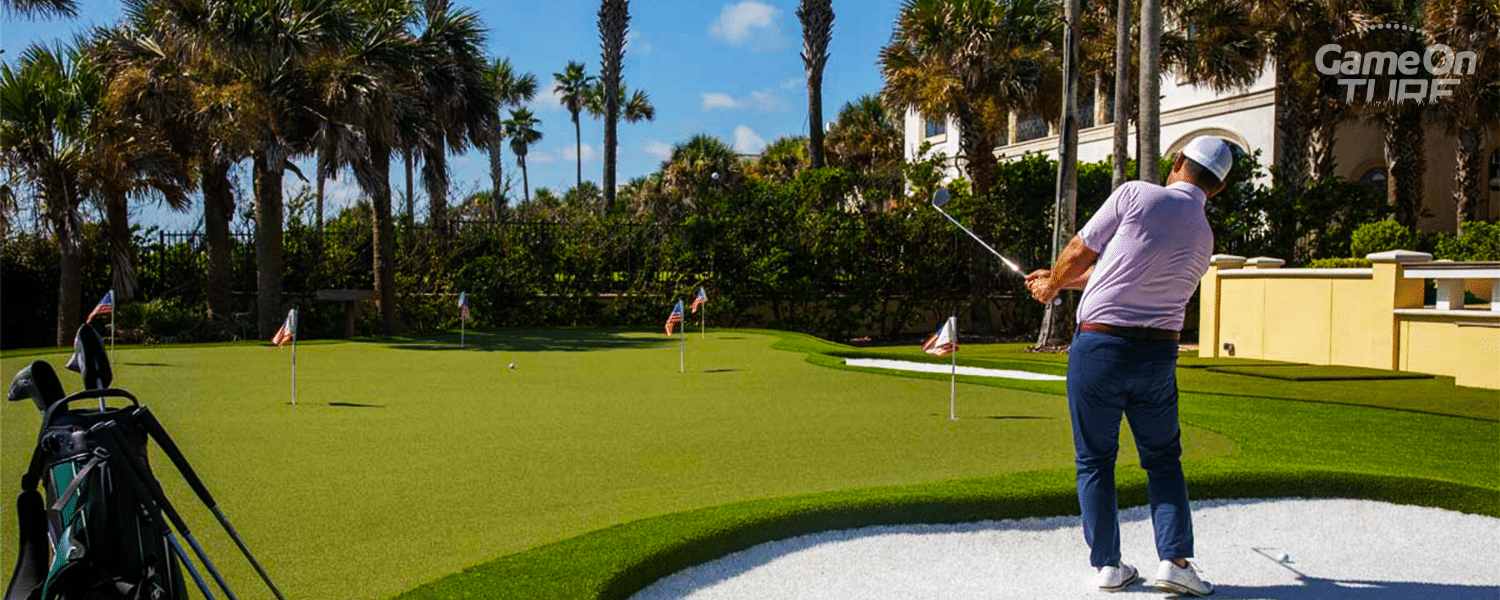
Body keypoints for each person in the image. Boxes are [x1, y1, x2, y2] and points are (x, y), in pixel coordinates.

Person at [1025, 136, 1233, 596]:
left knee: (1095, 459)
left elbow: (1081, 249)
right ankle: (1176, 561)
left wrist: (1053, 287)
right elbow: (1117, 277)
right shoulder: (1204, 236)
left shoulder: (1138, 193)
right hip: (1157, 355)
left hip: (1100, 349)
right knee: (1162, 460)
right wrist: (1057, 280)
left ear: (1177, 162)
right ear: (1215, 189)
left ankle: (1108, 567)